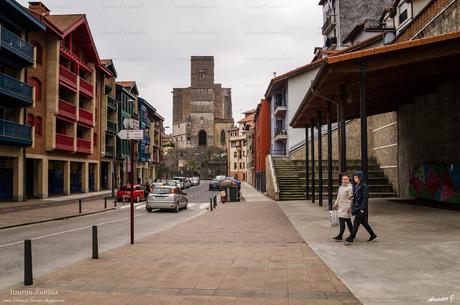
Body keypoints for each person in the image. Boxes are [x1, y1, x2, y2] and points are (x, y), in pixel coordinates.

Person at [345, 171, 378, 245]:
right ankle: (373, 235)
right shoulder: (356, 185)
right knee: (364, 223)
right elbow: (357, 196)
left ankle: (351, 238)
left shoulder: (364, 186)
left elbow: (365, 198)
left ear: (360, 177)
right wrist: (352, 197)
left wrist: (362, 209)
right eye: (354, 177)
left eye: (356, 177)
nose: (354, 179)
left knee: (356, 221)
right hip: (357, 207)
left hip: (362, 208)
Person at [332, 174, 353, 241]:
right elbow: (338, 197)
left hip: (346, 207)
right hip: (340, 207)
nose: (345, 180)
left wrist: (349, 207)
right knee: (348, 222)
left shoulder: (350, 188)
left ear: (348, 180)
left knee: (342, 221)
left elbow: (351, 198)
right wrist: (335, 204)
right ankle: (353, 234)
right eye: (344, 179)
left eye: (346, 179)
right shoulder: (340, 187)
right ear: (341, 180)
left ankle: (340, 236)